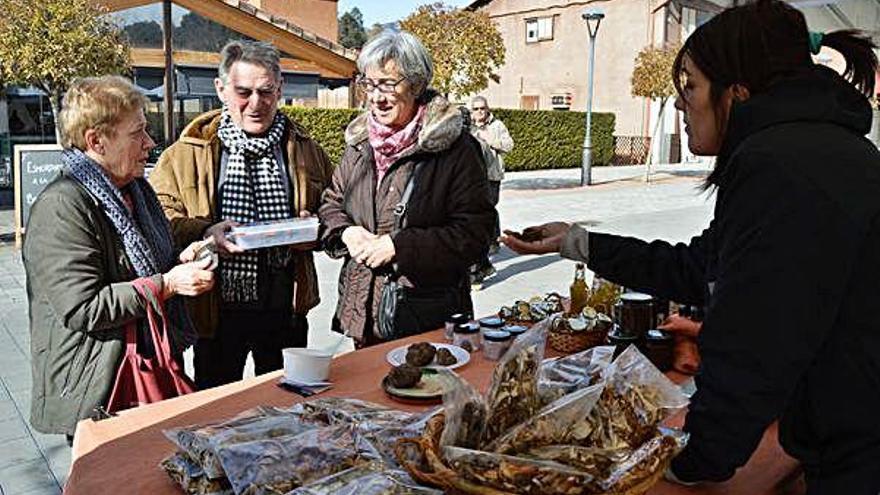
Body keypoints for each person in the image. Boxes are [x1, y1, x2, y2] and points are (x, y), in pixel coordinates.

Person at [502, 0, 880, 492]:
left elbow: (750, 343)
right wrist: (575, 241)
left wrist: (692, 460)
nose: (680, 104)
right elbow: (702, 265)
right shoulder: (809, 148)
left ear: (738, 94)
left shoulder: (782, 165)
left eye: (691, 87)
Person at [23, 76, 215, 441]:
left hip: (143, 365)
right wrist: (169, 284)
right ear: (97, 141)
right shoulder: (63, 204)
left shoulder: (135, 189)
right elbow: (83, 307)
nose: (150, 143)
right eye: (138, 133)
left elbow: (144, 262)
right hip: (98, 384)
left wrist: (182, 258)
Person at [149, 40, 334, 389]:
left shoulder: (306, 149)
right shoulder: (185, 152)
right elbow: (161, 217)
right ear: (220, 89)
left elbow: (334, 207)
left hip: (285, 304)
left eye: (266, 92)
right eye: (243, 91)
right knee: (217, 411)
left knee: (287, 407)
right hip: (216, 310)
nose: (255, 104)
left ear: (280, 89)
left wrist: (315, 227)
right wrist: (206, 232)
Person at [319, 31, 495, 348]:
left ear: (415, 85)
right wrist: (346, 232)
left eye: (388, 84)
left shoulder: (456, 148)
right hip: (364, 313)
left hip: (425, 317)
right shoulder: (360, 143)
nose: (376, 97)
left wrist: (401, 246)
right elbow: (331, 203)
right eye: (369, 84)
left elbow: (477, 233)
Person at [469, 96, 513, 286]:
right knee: (481, 215)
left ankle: (485, 254)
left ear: (487, 109)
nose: (479, 112)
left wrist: (491, 140)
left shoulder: (497, 125)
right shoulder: (467, 126)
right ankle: (486, 254)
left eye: (482, 108)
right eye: (476, 109)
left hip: (491, 176)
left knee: (487, 211)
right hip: (471, 178)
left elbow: (509, 145)